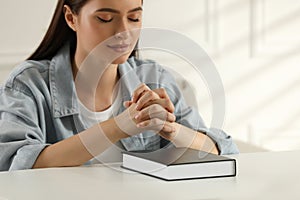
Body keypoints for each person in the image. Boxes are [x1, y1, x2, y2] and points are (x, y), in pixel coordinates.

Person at [0, 0, 238, 171]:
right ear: (71, 18)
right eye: (105, 18)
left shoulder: (154, 77)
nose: (123, 32)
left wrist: (172, 129)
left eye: (134, 17)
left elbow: (220, 150)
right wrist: (120, 126)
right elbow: (14, 164)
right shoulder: (28, 84)